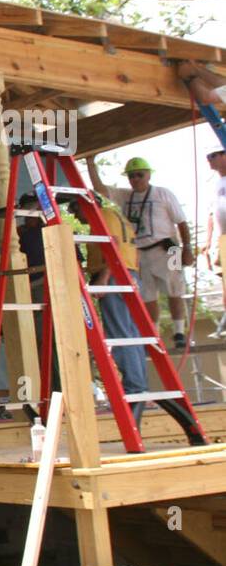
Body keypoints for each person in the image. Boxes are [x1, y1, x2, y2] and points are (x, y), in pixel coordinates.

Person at [87, 156, 193, 349]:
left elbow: (182, 222)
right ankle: (154, 335)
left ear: (148, 175)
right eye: (131, 176)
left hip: (169, 247)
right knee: (147, 295)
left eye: (139, 175)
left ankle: (179, 333)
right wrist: (90, 164)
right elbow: (100, 189)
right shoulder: (126, 196)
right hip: (141, 251)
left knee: (175, 288)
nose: (135, 179)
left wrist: (187, 248)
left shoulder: (163, 194)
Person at [73, 197, 148, 428]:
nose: (76, 217)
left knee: (120, 334)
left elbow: (112, 243)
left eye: (75, 211)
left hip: (116, 275)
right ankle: (139, 386)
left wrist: (105, 276)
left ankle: (134, 388)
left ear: (85, 205)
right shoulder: (116, 214)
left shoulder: (102, 215)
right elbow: (132, 247)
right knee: (132, 334)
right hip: (129, 274)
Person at [210, 148, 226, 337]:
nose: (209, 160)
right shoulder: (215, 184)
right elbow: (212, 214)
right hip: (223, 240)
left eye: (213, 155)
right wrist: (210, 244)